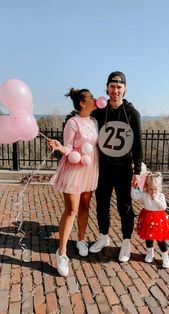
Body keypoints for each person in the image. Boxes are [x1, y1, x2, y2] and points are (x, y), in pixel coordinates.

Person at [89, 71, 143, 262]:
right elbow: (83, 120)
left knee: (125, 207)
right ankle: (103, 236)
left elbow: (138, 145)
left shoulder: (132, 114)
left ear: (125, 89)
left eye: (119, 87)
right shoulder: (99, 112)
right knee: (102, 204)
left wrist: (136, 171)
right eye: (112, 86)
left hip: (122, 169)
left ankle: (126, 242)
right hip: (102, 168)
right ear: (107, 87)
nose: (115, 90)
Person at [48, 88, 99, 276]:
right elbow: (68, 147)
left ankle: (81, 239)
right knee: (71, 210)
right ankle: (61, 253)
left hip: (90, 168)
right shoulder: (73, 122)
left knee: (85, 205)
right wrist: (60, 147)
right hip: (75, 169)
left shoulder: (94, 121)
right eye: (91, 97)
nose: (95, 99)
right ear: (82, 103)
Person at [133, 172, 169, 268]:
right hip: (147, 218)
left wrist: (156, 199)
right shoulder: (145, 194)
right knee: (148, 237)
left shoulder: (160, 196)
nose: (153, 191)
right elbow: (135, 196)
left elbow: (163, 207)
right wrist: (138, 184)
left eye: (155, 189)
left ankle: (165, 257)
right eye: (151, 189)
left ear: (159, 188)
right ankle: (150, 253)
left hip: (158, 219)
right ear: (147, 187)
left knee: (161, 239)